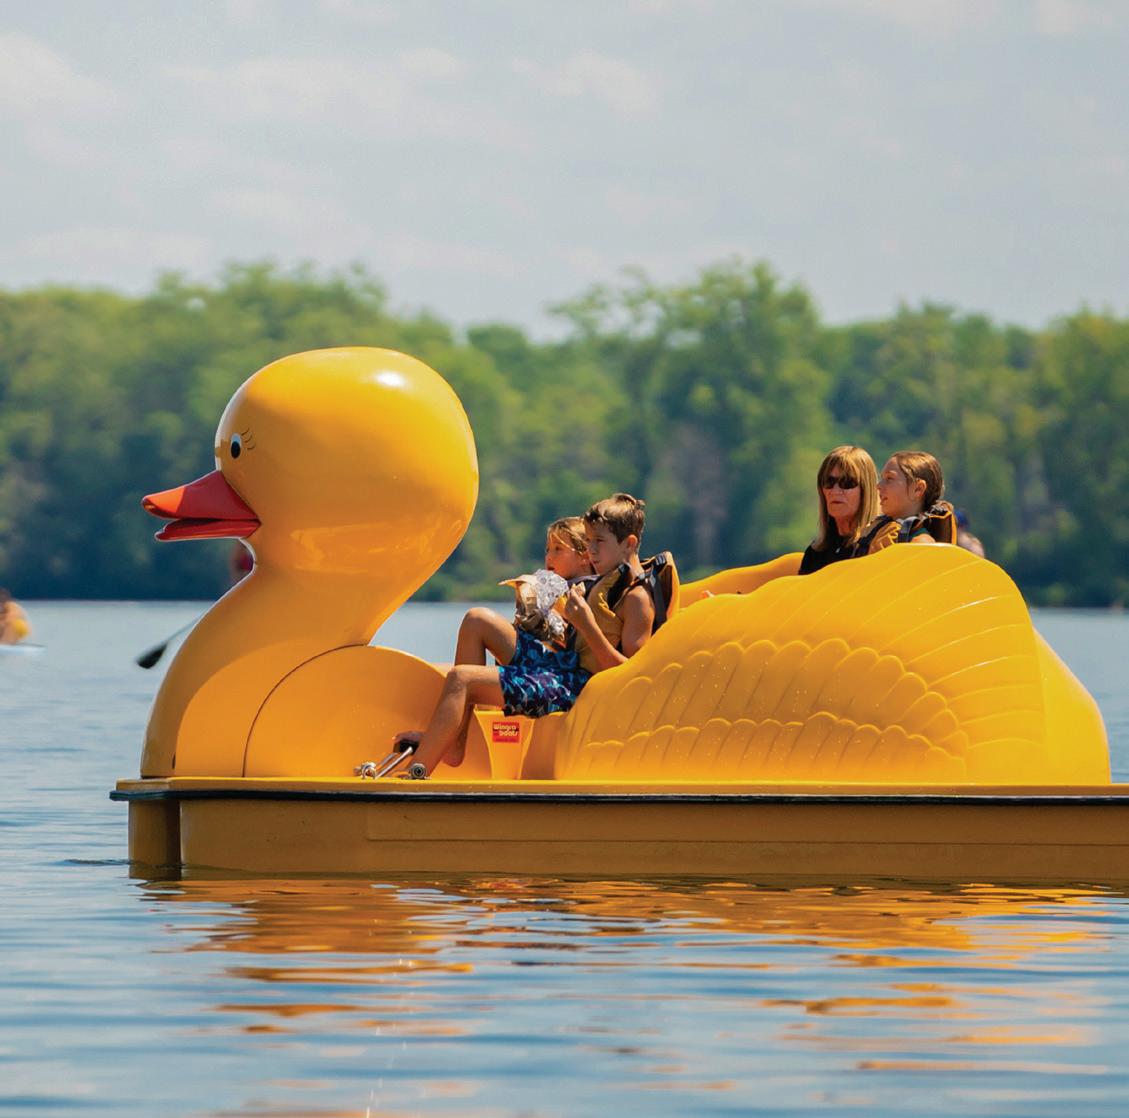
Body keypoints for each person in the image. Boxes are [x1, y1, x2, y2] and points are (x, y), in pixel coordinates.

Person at [393, 494, 656, 778]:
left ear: (629, 543)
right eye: (589, 540)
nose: (591, 550)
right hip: (564, 667)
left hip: (577, 687)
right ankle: (455, 742)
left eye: (599, 542)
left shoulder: (637, 598)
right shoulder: (604, 581)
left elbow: (630, 680)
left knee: (462, 679)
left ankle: (415, 774)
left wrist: (586, 626)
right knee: (477, 620)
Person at [453, 516, 593, 669]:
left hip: (560, 666)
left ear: (584, 557)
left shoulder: (588, 591)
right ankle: (469, 679)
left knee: (477, 620)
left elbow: (568, 638)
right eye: (547, 550)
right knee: (476, 620)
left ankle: (468, 680)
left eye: (558, 549)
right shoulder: (554, 586)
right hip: (546, 657)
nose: (549, 557)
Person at [798, 446, 880, 574]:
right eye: (829, 482)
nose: (835, 491)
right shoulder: (815, 553)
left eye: (847, 483)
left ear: (866, 491)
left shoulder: (878, 548)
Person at [860, 450, 956, 552]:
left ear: (918, 489)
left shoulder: (922, 543)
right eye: (882, 478)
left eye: (889, 479)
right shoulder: (877, 531)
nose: (878, 486)